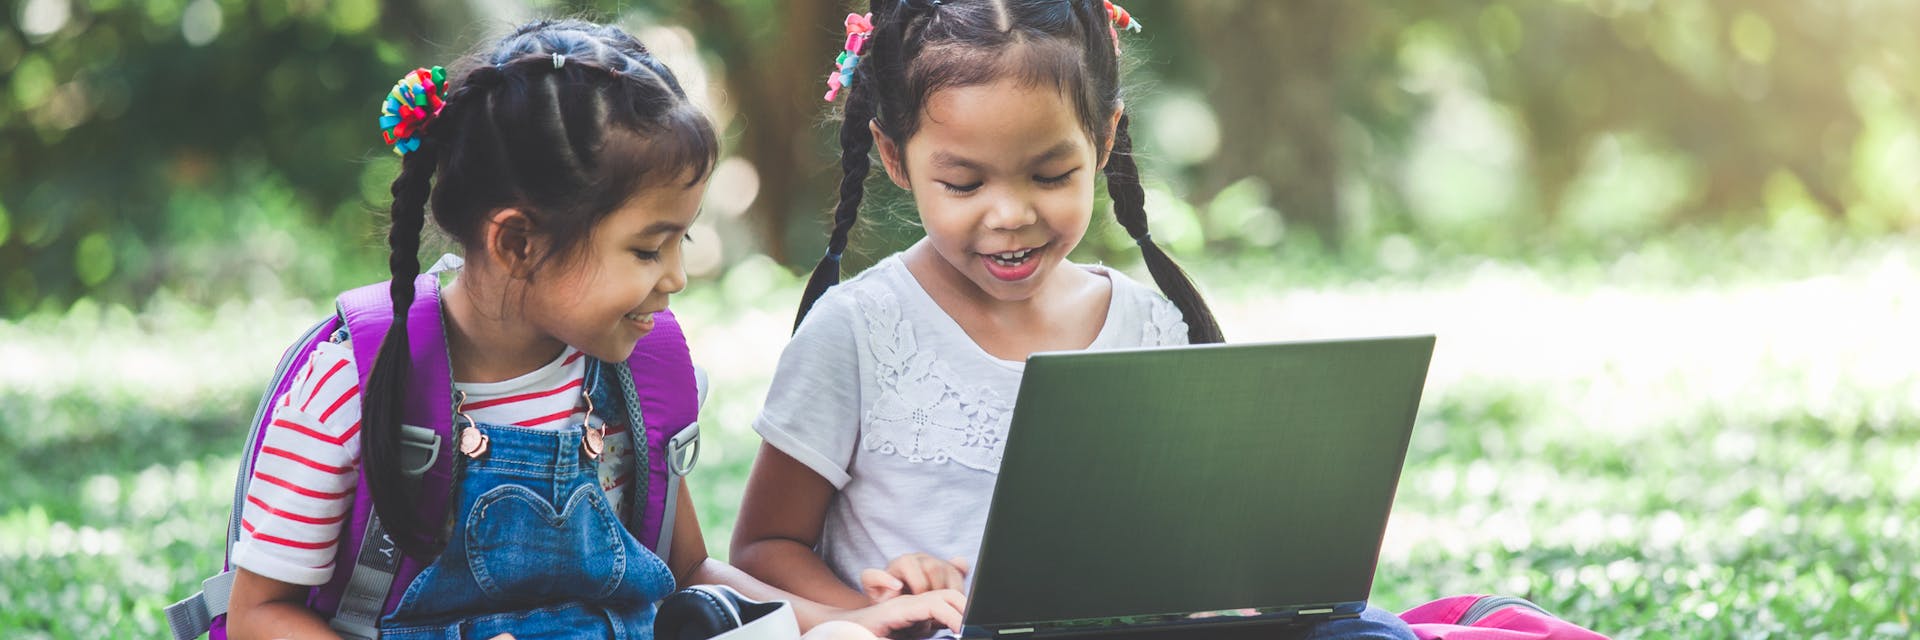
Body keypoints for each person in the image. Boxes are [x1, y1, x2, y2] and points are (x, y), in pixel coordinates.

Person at [222, 19, 962, 640]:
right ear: (516, 243)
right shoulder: (357, 383)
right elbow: (262, 613)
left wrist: (852, 618)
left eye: (684, 242)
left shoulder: (635, 376)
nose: (674, 277)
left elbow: (691, 574)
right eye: (647, 248)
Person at [730, 2, 1415, 638]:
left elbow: (1186, 539)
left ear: (1104, 138)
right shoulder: (859, 329)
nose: (1011, 214)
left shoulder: (1148, 326)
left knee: (1369, 630)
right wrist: (876, 609)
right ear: (893, 157)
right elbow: (763, 549)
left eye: (1052, 174)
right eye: (965, 184)